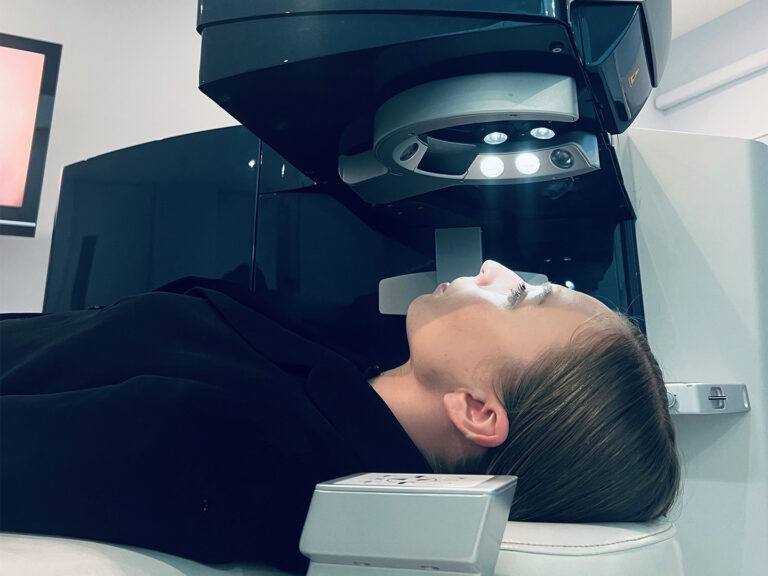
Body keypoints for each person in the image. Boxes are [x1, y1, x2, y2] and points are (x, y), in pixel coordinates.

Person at [0, 260, 679, 571]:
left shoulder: (233, 447)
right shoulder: (330, 384)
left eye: (521, 300)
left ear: (476, 410)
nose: (496, 268)